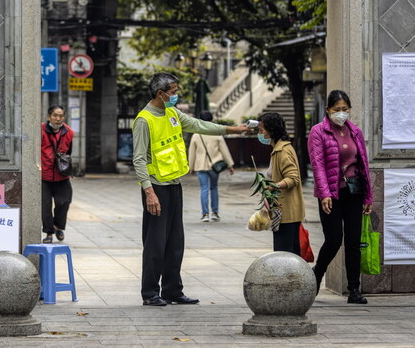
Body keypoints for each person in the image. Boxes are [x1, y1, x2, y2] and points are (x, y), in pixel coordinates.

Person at [132, 73, 249, 307]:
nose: (176, 95)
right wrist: (149, 192)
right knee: (155, 243)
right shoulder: (144, 120)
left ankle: (172, 290)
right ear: (160, 94)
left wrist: (233, 130)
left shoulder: (173, 113)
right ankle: (150, 293)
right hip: (156, 187)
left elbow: (200, 125)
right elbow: (138, 160)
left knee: (175, 241)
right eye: (173, 92)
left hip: (174, 185)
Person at [308, 90, 373, 304]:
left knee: (353, 241)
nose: (341, 113)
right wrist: (325, 193)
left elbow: (363, 165)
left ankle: (354, 289)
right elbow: (317, 165)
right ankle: (317, 274)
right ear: (328, 110)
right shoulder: (318, 132)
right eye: (337, 109)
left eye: (345, 109)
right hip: (331, 194)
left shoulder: (355, 132)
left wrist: (368, 197)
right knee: (334, 239)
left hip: (353, 192)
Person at [256, 112, 305, 255]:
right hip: (283, 212)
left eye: (261, 130)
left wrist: (274, 186)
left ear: (271, 130)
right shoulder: (278, 149)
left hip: (287, 214)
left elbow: (293, 178)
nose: (259, 134)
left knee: (284, 256)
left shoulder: (282, 151)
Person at [188, 111, 235, 222]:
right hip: (215, 166)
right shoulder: (216, 134)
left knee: (204, 189)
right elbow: (224, 150)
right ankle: (215, 213)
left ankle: (205, 214)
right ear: (211, 119)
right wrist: (230, 165)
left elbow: (192, 152)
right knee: (214, 188)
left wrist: (191, 167)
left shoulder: (196, 135)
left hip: (200, 166)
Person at [41, 105, 74, 244]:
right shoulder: (40, 130)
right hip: (44, 175)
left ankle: (58, 226)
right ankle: (49, 232)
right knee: (45, 205)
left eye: (61, 116)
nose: (58, 119)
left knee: (64, 201)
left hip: (61, 175)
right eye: (55, 115)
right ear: (49, 117)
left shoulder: (69, 132)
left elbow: (68, 152)